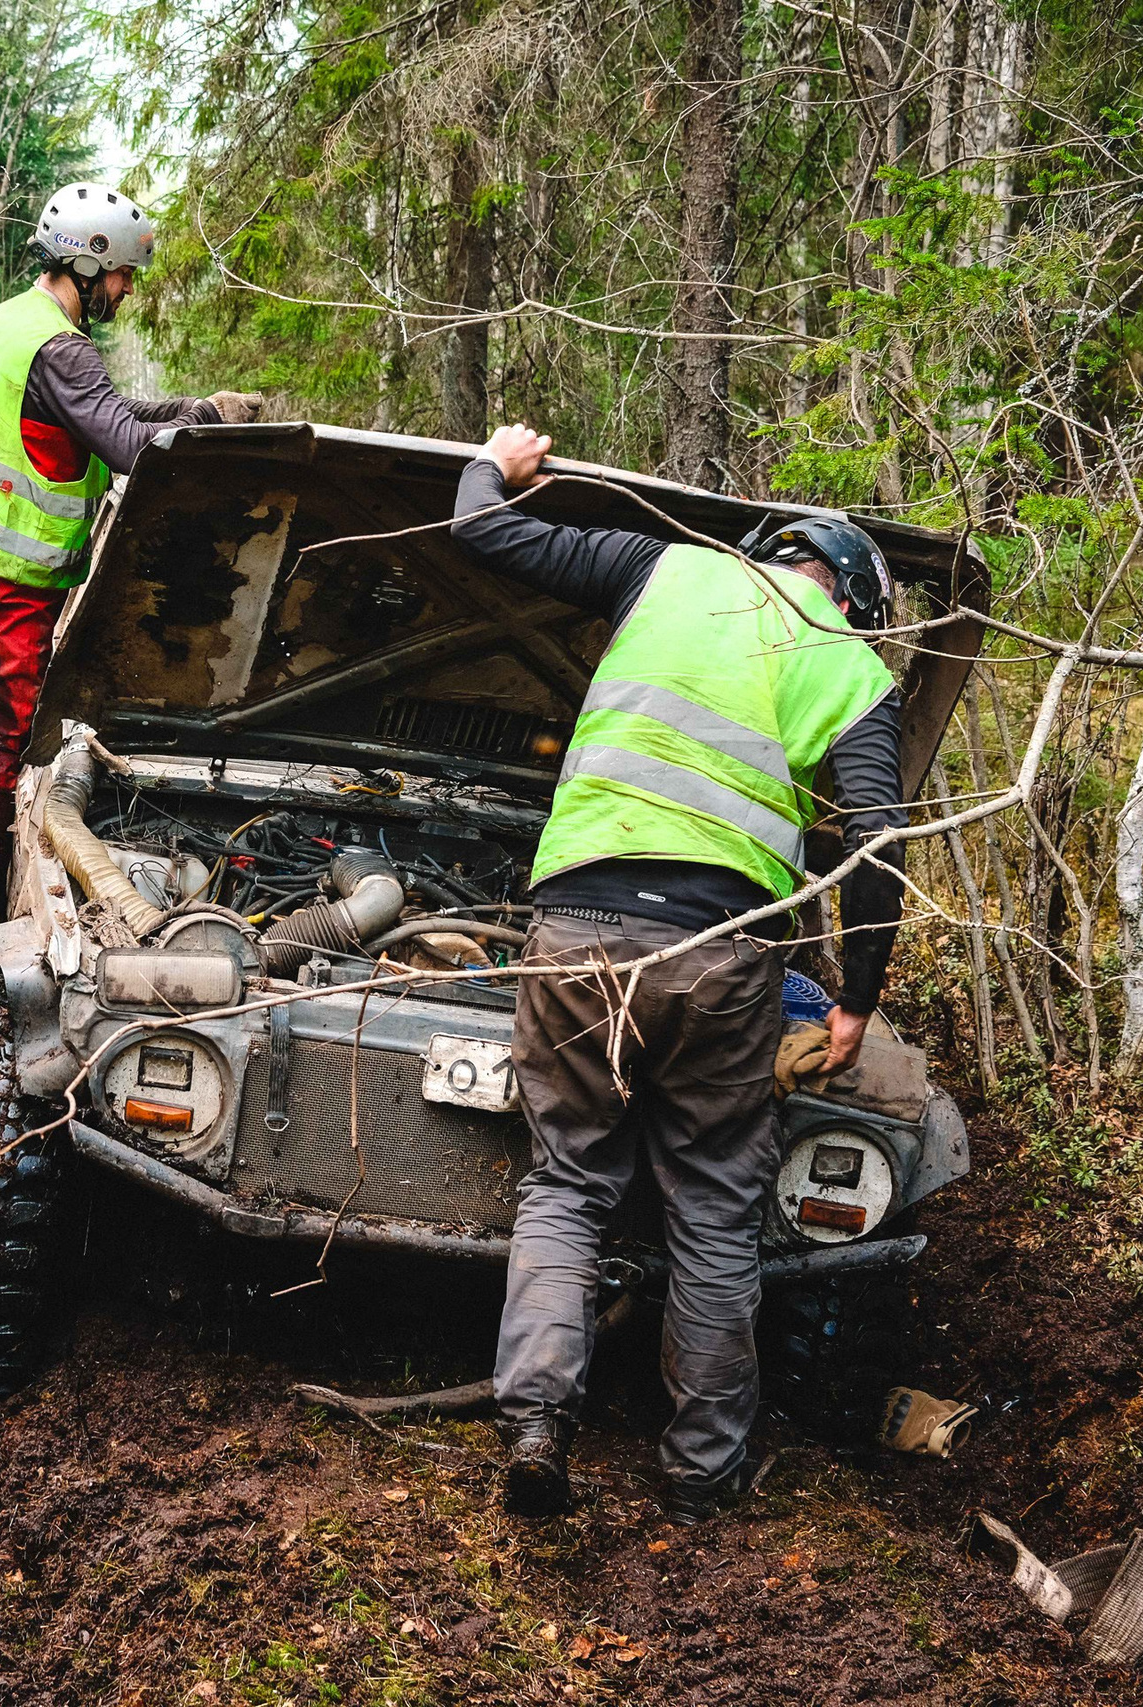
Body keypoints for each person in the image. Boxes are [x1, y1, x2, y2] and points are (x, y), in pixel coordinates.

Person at [451, 421, 910, 1525]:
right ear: (848, 594)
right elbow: (877, 847)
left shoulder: (666, 568)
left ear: (769, 550)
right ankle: (702, 1471)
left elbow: (476, 528)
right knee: (712, 1209)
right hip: (718, 958)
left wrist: (496, 466)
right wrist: (852, 1002)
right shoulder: (849, 668)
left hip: (572, 937)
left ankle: (534, 1423)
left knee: (567, 1184)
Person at [0, 182, 265, 976]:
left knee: (2, 726)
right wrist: (204, 439)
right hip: (4, 571)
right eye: (124, 276)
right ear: (89, 261)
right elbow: (124, 443)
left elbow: (107, 407)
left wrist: (201, 410)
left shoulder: (18, 320)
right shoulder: (63, 346)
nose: (128, 290)